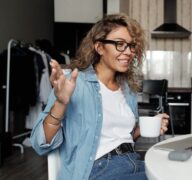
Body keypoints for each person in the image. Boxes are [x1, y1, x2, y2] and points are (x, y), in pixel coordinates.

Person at [30, 13, 169, 180]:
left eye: (131, 46)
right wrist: (60, 103)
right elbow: (40, 145)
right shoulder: (73, 83)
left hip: (133, 162)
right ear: (99, 47)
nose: (128, 52)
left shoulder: (128, 89)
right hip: (98, 170)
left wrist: (141, 130)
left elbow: (117, 138)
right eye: (120, 44)